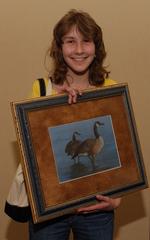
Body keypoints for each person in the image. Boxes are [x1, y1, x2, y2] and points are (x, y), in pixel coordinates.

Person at [5, 9, 121, 240]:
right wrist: (53, 102)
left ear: (96, 47)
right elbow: (31, 150)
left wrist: (117, 198)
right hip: (50, 210)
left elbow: (121, 150)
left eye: (86, 41)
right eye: (70, 42)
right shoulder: (40, 89)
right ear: (59, 47)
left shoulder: (110, 88)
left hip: (96, 209)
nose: (79, 50)